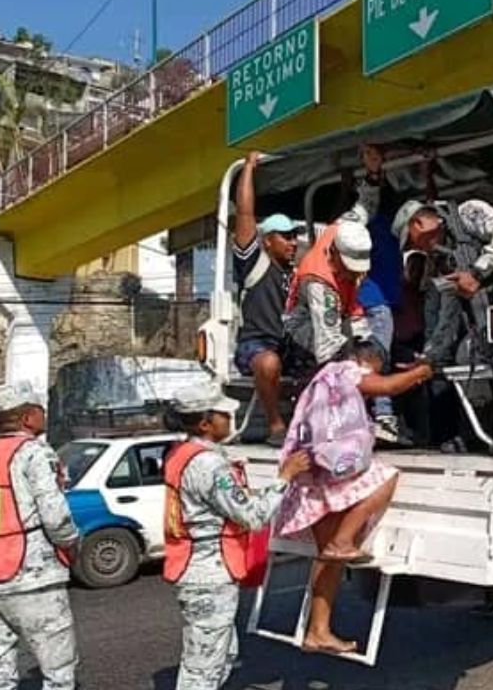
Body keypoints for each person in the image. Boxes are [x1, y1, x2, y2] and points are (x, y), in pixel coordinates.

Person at [276, 341, 432, 655]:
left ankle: (318, 631)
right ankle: (344, 540)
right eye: (376, 368)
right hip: (332, 469)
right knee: (386, 478)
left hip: (314, 472)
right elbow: (388, 387)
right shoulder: (347, 371)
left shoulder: (321, 379)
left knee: (328, 561)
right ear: (367, 361)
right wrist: (422, 372)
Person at [163, 383, 312, 690]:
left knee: (221, 655)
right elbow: (252, 516)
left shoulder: (183, 453)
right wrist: (285, 477)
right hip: (209, 575)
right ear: (205, 423)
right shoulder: (209, 464)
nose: (230, 418)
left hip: (197, 570)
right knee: (203, 668)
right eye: (223, 414)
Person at [0, 382, 80, 690]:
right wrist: (70, 543)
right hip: (32, 577)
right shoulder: (34, 452)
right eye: (40, 410)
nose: (44, 416)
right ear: (27, 418)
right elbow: (55, 514)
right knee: (58, 672)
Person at [381, 192, 493, 367]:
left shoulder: (468, 213)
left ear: (418, 224)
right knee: (466, 357)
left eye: (411, 241)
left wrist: (477, 274)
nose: (417, 248)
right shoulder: (440, 263)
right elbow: (447, 314)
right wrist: (430, 357)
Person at [233, 151, 301, 446]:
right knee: (269, 363)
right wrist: (248, 168)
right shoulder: (254, 262)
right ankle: (275, 426)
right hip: (255, 345)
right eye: (286, 236)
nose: (293, 242)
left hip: (289, 345)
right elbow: (245, 214)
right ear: (268, 240)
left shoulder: (296, 272)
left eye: (295, 236)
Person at [351, 144, 411, 443]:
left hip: (378, 298)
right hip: (376, 300)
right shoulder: (380, 225)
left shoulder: (383, 228)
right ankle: (383, 415)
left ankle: (374, 415)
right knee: (378, 358)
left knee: (374, 357)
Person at [282, 221, 375, 382]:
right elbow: (328, 346)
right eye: (350, 268)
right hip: (304, 332)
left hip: (341, 315)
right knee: (341, 372)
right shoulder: (318, 283)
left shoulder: (341, 233)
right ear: (334, 252)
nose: (356, 275)